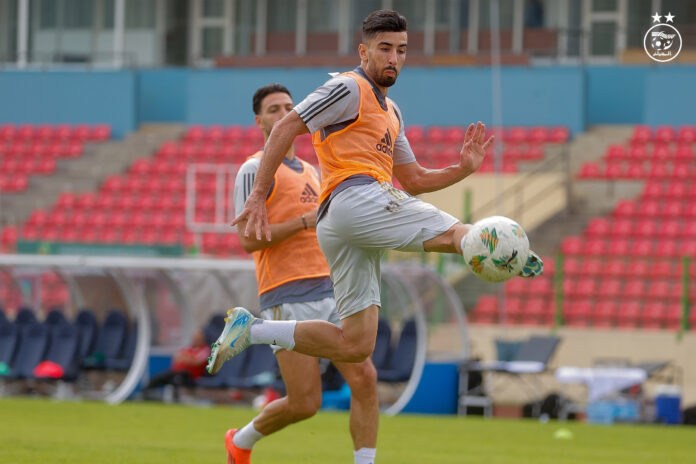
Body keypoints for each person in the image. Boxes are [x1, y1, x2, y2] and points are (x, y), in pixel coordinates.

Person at [209, 8, 543, 459]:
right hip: (354, 200)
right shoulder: (348, 87)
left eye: (401, 50)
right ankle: (506, 253)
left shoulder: (392, 112)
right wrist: (257, 195)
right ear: (363, 50)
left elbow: (416, 179)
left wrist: (462, 169)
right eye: (384, 48)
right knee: (457, 236)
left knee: (357, 347)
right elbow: (290, 126)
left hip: (347, 225)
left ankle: (254, 331)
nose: (394, 58)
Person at [224, 84, 379, 464]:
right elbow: (248, 241)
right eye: (273, 109)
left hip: (332, 288)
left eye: (289, 107)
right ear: (259, 121)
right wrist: (304, 221)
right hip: (286, 293)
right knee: (306, 403)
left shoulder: (312, 170)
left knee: (365, 379)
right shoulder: (253, 169)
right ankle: (241, 441)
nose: (283, 114)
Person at [143, 329, 209, 402]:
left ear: (202, 339)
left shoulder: (205, 350)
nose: (194, 340)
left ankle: (175, 398)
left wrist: (185, 358)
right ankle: (146, 391)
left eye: (197, 338)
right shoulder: (188, 348)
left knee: (177, 378)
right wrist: (188, 358)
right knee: (162, 376)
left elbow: (197, 362)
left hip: (191, 376)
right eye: (194, 338)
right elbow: (177, 357)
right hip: (177, 371)